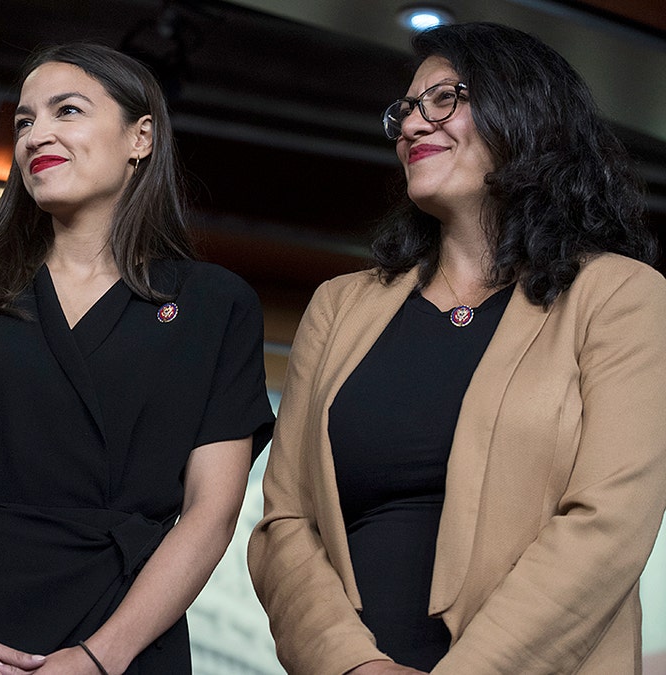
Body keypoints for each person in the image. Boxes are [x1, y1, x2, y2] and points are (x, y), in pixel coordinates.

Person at [246, 21, 666, 674]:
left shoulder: (622, 296)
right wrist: (355, 666)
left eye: (445, 98)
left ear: (528, 113)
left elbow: (608, 524)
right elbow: (284, 528)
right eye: (406, 110)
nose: (413, 124)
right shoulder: (338, 306)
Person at [0, 42, 274, 674]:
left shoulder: (215, 305)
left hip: (122, 632)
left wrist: (99, 658)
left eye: (68, 111)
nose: (37, 135)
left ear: (140, 137)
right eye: (25, 120)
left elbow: (210, 513)